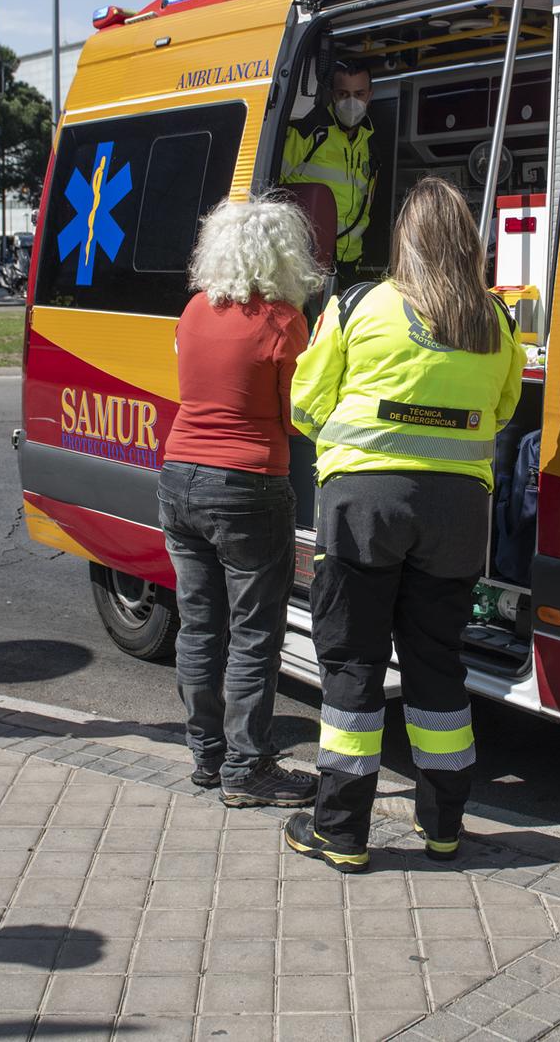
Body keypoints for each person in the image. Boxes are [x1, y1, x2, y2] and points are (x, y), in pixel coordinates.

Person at [284, 177, 524, 871]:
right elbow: (504, 410)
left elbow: (305, 403)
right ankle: (445, 827)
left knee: (354, 665)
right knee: (437, 668)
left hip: (364, 510)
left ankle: (341, 831)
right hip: (455, 517)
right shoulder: (495, 322)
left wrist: (357, 441)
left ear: (404, 239)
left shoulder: (360, 304)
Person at [159, 197, 325, 809]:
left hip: (179, 475)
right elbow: (296, 415)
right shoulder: (283, 321)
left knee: (200, 625)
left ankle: (205, 755)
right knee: (255, 633)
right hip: (248, 484)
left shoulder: (195, 308)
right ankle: (247, 768)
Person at [281, 56, 378, 287]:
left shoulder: (370, 144)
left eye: (359, 94)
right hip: (305, 263)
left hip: (349, 262)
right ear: (332, 95)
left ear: (370, 96)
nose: (352, 102)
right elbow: (268, 186)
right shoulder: (309, 132)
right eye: (343, 94)